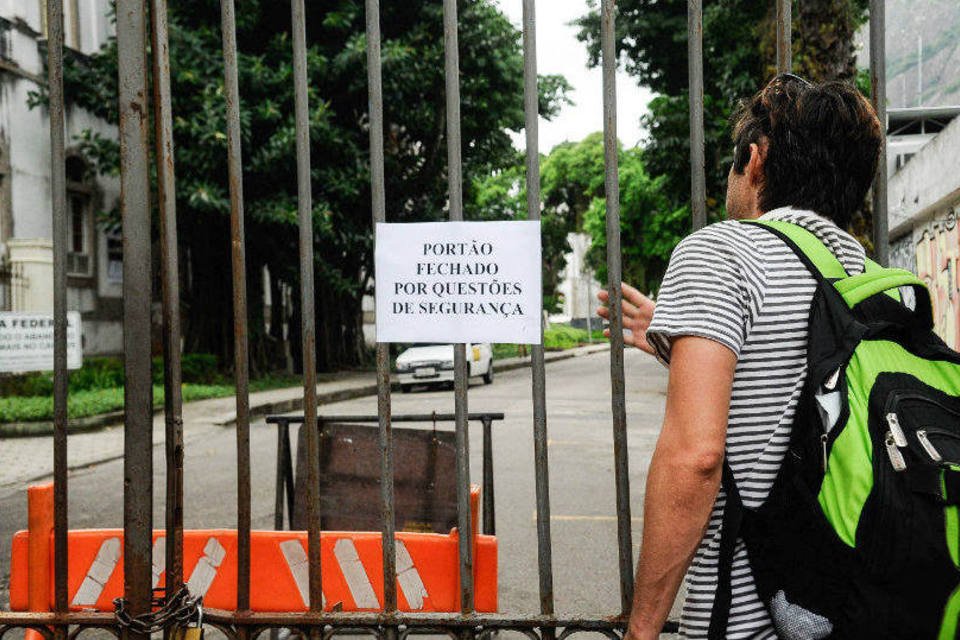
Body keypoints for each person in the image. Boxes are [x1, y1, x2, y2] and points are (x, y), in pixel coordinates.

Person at [596, 75, 883, 639]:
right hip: (868, 612)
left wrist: (641, 630)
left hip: (754, 622)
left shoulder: (720, 251)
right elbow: (807, 391)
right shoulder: (882, 283)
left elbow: (697, 457)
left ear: (755, 160)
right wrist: (685, 340)